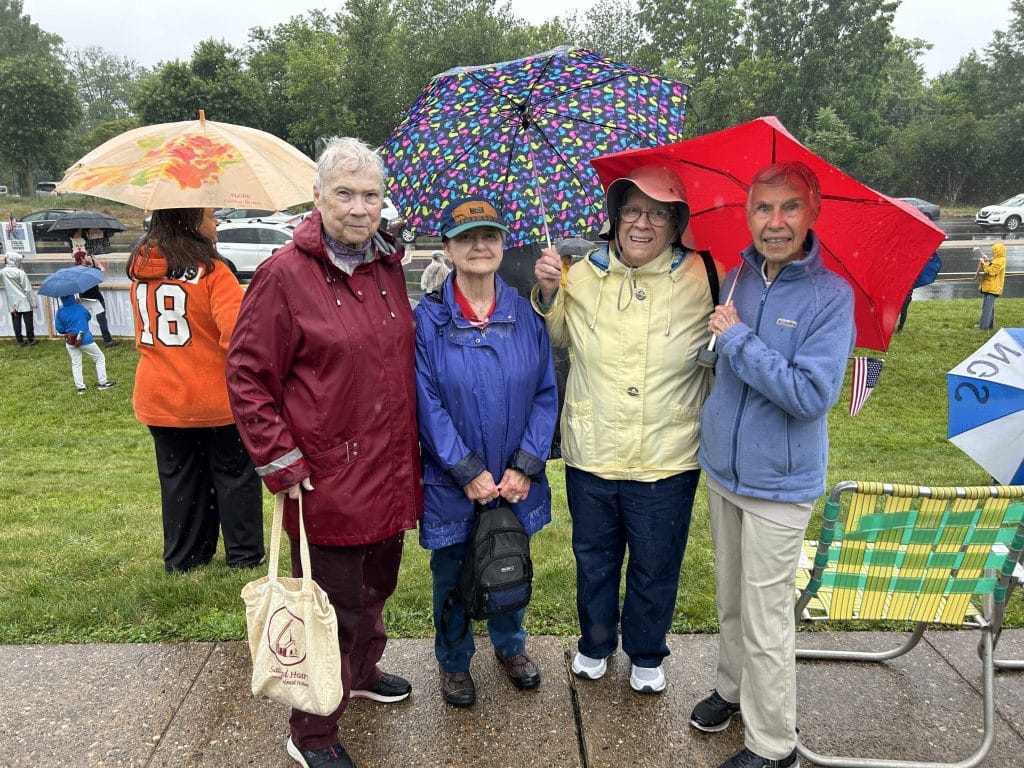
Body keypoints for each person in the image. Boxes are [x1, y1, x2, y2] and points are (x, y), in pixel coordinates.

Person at [226, 136, 422, 768]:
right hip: (326, 480)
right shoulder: (284, 275)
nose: (359, 208)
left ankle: (358, 673)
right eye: (345, 194)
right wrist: (280, 460)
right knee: (331, 607)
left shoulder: (386, 267)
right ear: (318, 198)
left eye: (371, 195)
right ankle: (311, 731)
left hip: (389, 469)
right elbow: (247, 376)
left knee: (377, 586)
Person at [532, 164, 722, 695]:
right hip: (592, 450)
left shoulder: (705, 277)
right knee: (594, 561)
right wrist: (548, 293)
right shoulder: (581, 273)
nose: (642, 224)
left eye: (658, 214)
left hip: (668, 454)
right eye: (633, 210)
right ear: (615, 217)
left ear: (676, 223)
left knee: (656, 565)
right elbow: (558, 335)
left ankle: (646, 651)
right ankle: (594, 644)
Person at [690, 161, 855, 768]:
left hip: (779, 487)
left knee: (766, 619)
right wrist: (715, 345)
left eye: (790, 208)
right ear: (748, 214)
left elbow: (810, 395)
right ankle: (733, 689)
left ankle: (773, 743)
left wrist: (737, 339)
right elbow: (727, 364)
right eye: (763, 208)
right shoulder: (737, 277)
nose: (775, 222)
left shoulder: (830, 297)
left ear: (813, 214)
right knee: (732, 601)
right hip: (724, 472)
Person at [415, 196, 557, 708]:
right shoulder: (429, 320)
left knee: (507, 558)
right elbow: (426, 401)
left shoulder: (525, 314)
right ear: (448, 248)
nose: (480, 245)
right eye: (467, 237)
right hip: (452, 481)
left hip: (514, 480)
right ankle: (454, 660)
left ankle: (510, 646)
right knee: (452, 572)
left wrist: (525, 466)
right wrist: (466, 470)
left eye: (490, 235)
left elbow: (545, 393)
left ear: (502, 244)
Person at [127, 207, 264, 573]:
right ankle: (245, 557)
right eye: (210, 214)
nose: (216, 222)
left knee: (180, 480)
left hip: (158, 396)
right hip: (213, 399)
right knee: (235, 477)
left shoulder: (142, 267)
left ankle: (185, 557)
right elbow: (238, 338)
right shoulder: (213, 271)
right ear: (189, 219)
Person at [54, 295, 116, 393]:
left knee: (76, 363)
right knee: (99, 358)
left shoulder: (60, 312)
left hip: (70, 341)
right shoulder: (80, 307)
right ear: (72, 296)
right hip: (85, 339)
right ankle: (102, 382)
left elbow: (60, 329)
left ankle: (80, 388)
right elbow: (88, 317)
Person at [1, 252, 38, 346]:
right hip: (24, 300)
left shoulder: (3, 272)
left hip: (12, 302)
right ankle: (31, 339)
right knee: (28, 321)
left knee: (16, 321)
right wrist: (33, 302)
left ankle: (19, 340)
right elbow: (28, 289)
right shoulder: (20, 272)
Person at [977, 242, 1006, 330]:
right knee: (989, 308)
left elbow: (992, 271)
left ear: (998, 251)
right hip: (991, 286)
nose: (993, 252)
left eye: (994, 251)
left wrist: (983, 263)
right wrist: (987, 261)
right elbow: (992, 267)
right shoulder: (999, 259)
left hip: (992, 287)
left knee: (987, 309)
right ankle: (989, 325)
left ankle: (983, 326)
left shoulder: (999, 260)